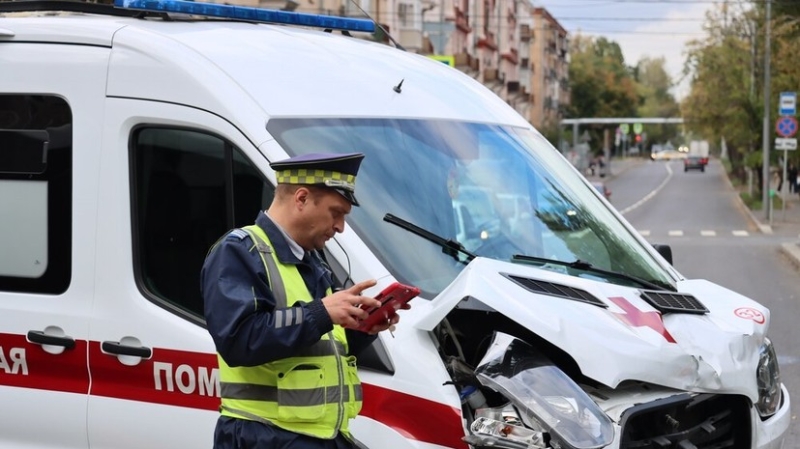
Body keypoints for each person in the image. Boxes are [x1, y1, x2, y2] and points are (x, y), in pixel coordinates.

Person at [201, 152, 405, 449]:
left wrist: (362, 326)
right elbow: (239, 340)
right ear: (301, 198)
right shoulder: (239, 251)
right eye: (336, 212)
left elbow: (318, 341)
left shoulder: (313, 261)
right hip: (264, 435)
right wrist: (322, 312)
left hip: (318, 437)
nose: (340, 227)